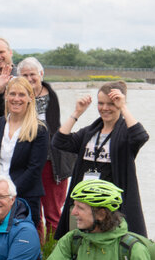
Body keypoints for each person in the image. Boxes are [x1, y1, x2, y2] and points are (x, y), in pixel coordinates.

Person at [53, 81, 149, 238]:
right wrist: (77, 112)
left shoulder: (126, 134)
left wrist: (123, 107)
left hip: (109, 207)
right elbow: (59, 141)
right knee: (77, 246)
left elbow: (141, 137)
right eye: (101, 103)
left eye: (111, 103)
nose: (105, 108)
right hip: (83, 202)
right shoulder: (90, 132)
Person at [10, 57, 73, 233]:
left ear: (41, 74)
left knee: (53, 212)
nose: (29, 79)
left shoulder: (55, 97)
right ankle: (34, 250)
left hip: (51, 162)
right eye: (25, 75)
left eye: (33, 74)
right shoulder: (17, 98)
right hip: (25, 162)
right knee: (31, 211)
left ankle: (54, 251)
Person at [0, 76, 49, 229]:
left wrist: (9, 193)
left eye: (21, 95)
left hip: (23, 197)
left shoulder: (39, 130)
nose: (16, 99)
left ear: (30, 98)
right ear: (6, 96)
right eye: (12, 94)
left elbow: (34, 169)